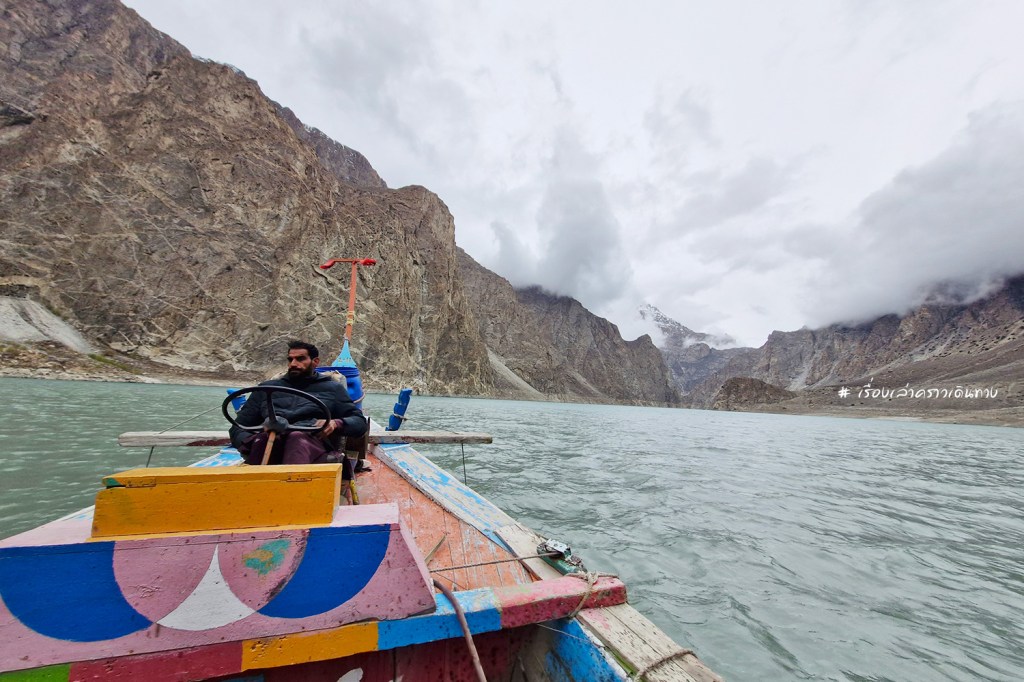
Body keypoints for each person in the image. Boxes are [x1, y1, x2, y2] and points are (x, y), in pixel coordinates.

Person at [229, 340, 368, 470]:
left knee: (296, 438)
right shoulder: (266, 389)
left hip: (312, 444)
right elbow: (238, 428)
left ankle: (294, 483)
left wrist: (335, 423)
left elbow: (359, 423)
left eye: (300, 359)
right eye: (290, 359)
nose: (293, 364)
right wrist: (250, 441)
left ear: (315, 362)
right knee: (262, 440)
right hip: (272, 441)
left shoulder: (332, 389)